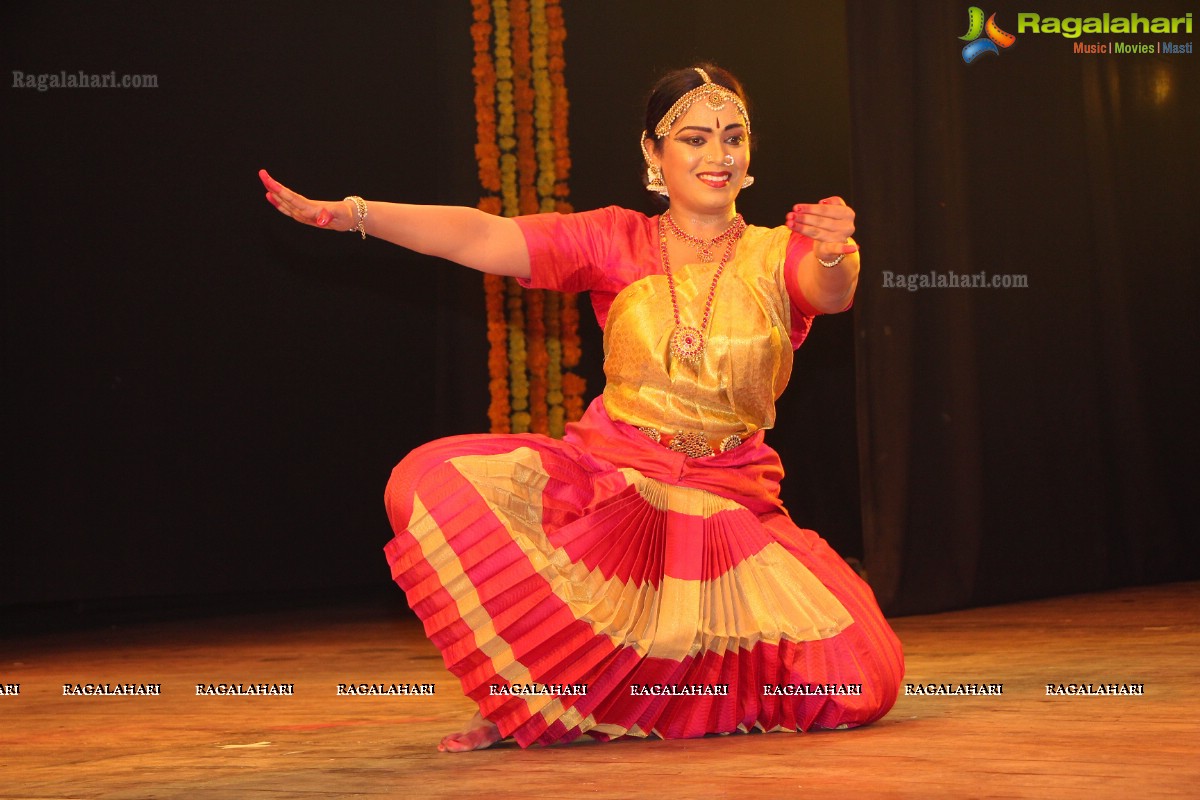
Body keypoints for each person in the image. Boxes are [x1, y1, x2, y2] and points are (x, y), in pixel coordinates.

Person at [260, 64, 904, 752]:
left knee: (861, 680)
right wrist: (355, 214)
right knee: (429, 482)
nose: (717, 156)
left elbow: (830, 291)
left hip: (732, 498)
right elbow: (483, 236)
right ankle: (532, 702)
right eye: (694, 138)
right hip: (614, 485)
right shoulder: (615, 240)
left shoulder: (783, 252)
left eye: (732, 137)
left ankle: (621, 704)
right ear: (653, 153)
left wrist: (838, 253)